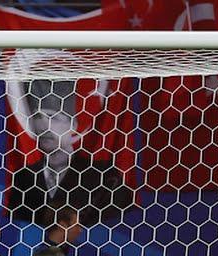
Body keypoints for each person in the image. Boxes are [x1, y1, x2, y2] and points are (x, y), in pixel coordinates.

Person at [8, 80, 132, 225]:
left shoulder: (107, 178)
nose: (43, 126)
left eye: (52, 116)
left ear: (73, 124)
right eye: (36, 116)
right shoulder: (22, 177)